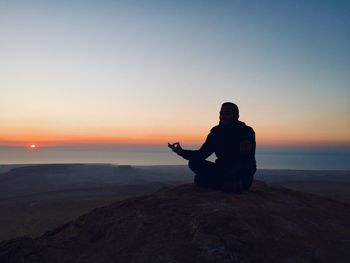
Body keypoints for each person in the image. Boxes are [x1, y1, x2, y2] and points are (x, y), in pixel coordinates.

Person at [168, 102, 256, 193]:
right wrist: (181, 152)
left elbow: (247, 160)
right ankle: (225, 185)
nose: (223, 116)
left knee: (201, 180)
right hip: (221, 169)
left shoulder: (245, 131)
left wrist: (244, 151)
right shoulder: (216, 132)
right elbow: (202, 153)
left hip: (239, 172)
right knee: (194, 162)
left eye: (227, 113)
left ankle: (228, 184)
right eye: (221, 113)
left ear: (236, 116)